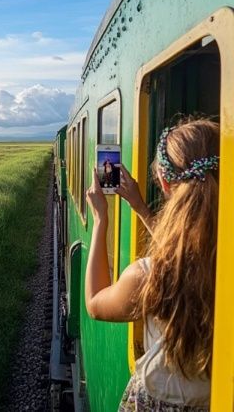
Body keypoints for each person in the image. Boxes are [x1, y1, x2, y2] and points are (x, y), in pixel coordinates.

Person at [84, 118, 219, 411]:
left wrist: (100, 221)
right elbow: (190, 250)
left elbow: (95, 303)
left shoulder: (150, 275)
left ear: (163, 181)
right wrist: (141, 208)